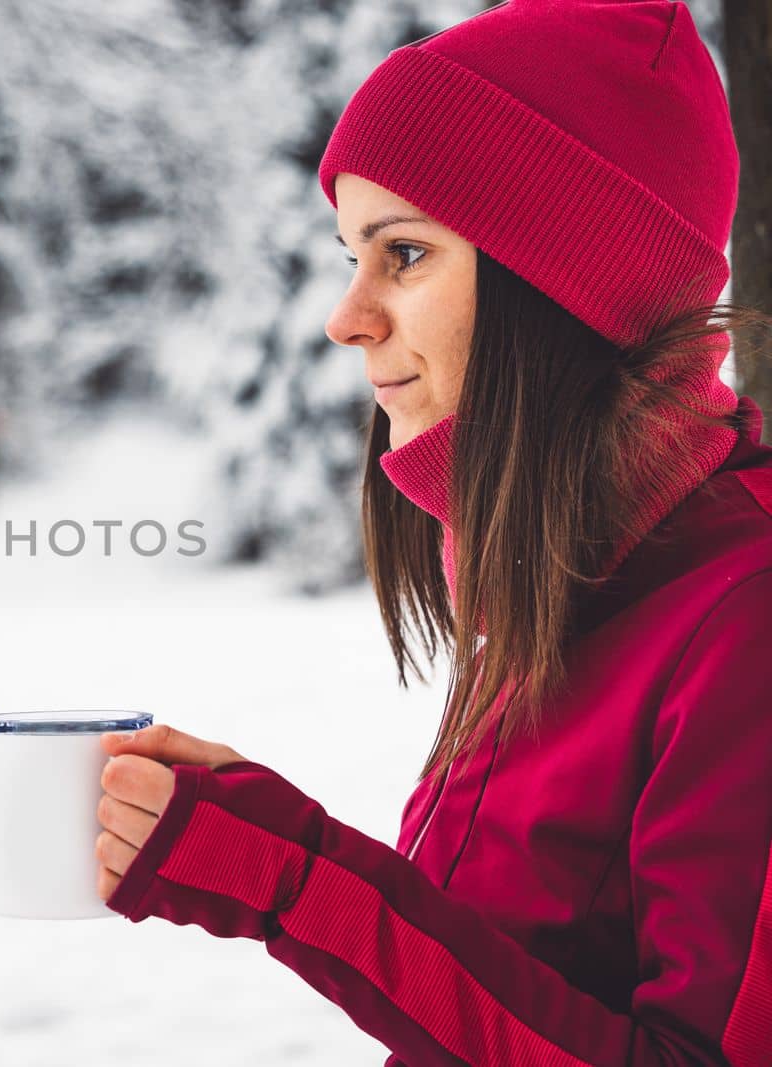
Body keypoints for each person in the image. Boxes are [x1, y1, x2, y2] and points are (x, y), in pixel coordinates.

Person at [93, 2, 772, 1064]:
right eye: (349, 256)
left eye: (402, 253)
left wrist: (294, 879)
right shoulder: (567, 571)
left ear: (568, 278)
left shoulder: (744, 618)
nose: (345, 316)